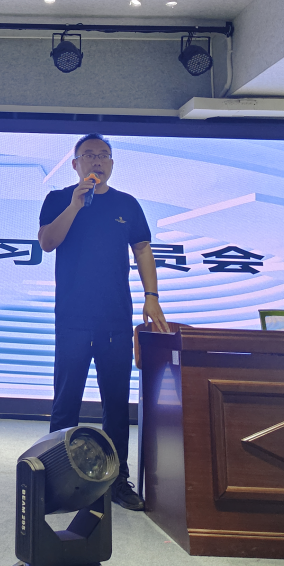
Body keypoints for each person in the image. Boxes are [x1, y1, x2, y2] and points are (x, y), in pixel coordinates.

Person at [37, 133, 169, 511]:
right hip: (73, 319)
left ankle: (117, 480)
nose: (97, 161)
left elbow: (142, 249)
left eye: (103, 155)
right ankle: (57, 480)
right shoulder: (59, 199)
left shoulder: (127, 204)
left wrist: (152, 296)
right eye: (89, 155)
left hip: (115, 318)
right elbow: (47, 242)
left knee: (116, 403)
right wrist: (76, 205)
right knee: (66, 402)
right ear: (75, 164)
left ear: (111, 163)